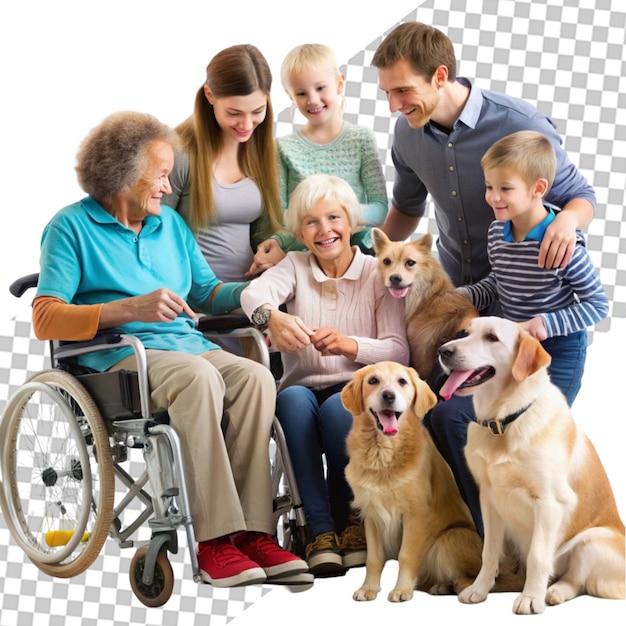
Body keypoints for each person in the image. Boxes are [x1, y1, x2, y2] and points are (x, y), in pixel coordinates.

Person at [32, 111, 307, 588]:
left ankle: (253, 533)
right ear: (123, 174)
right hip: (117, 360)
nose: (167, 186)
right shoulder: (70, 229)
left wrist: (261, 301)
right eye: (159, 175)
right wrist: (128, 308)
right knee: (198, 377)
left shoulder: (171, 226)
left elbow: (205, 292)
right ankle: (215, 542)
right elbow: (45, 317)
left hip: (188, 347)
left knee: (254, 376)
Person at [371, 21, 597, 536]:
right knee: (438, 418)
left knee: (513, 439)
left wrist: (566, 220)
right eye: (387, 93)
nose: (393, 105)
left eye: (403, 91)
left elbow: (582, 196)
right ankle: (473, 541)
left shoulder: (516, 123)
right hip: (462, 312)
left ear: (441, 75)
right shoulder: (407, 135)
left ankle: (525, 548)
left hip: (536, 316)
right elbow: (405, 212)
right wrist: (362, 263)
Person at [240, 174, 408, 577]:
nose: (324, 230)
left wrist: (351, 346)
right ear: (299, 232)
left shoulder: (376, 273)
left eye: (333, 217)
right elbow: (251, 295)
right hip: (302, 386)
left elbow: (398, 350)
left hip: (355, 391)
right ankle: (317, 530)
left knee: (339, 409)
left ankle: (352, 522)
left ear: (352, 222)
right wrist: (273, 317)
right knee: (292, 402)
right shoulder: (295, 266)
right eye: (311, 222)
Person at [458, 130, 609, 406]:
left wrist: (543, 325)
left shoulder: (562, 243)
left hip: (558, 349)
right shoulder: (496, 232)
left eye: (505, 188)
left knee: (545, 427)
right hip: (512, 348)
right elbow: (499, 281)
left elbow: (598, 304)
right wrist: (464, 295)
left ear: (537, 189)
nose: (493, 197)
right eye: (489, 186)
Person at [248, 43, 388, 276]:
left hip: (353, 245)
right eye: (301, 93)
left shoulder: (361, 139)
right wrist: (280, 241)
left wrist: (336, 218)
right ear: (291, 97)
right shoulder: (282, 147)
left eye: (320, 88)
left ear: (339, 84)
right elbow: (280, 213)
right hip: (303, 245)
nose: (312, 100)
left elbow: (379, 209)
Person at [162, 44, 282, 283]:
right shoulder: (178, 153)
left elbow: (264, 230)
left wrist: (274, 246)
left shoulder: (263, 153)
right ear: (210, 96)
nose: (247, 124)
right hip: (191, 303)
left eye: (258, 111)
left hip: (249, 296)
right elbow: (153, 232)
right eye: (234, 113)